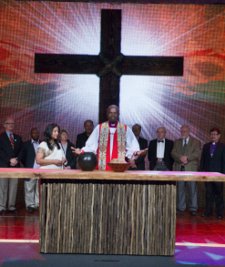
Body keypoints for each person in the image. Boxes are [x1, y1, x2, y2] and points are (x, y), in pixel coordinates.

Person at [73, 105, 140, 170]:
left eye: (115, 113)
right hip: (102, 166)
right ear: (107, 114)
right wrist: (82, 151)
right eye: (110, 113)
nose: (113, 115)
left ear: (118, 114)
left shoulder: (125, 129)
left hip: (119, 167)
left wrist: (136, 152)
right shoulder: (99, 128)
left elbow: (132, 145)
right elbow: (91, 145)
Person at [172, 125, 201, 216]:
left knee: (192, 188)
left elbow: (197, 153)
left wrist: (187, 158)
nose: (183, 133)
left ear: (189, 131)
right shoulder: (177, 142)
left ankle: (193, 208)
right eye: (181, 131)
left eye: (185, 131)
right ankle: (181, 208)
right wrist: (180, 158)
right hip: (179, 168)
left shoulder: (196, 142)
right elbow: (173, 153)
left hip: (191, 168)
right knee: (180, 189)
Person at [200, 128, 225, 219]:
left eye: (215, 134)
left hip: (219, 175)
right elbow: (203, 159)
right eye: (211, 134)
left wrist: (223, 174)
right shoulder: (206, 146)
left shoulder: (223, 146)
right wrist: (202, 171)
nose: (213, 136)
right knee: (208, 193)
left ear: (219, 135)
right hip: (207, 174)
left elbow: (224, 161)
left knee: (219, 194)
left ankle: (220, 213)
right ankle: (208, 212)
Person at [0, 117, 23, 215]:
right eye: (9, 123)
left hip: (15, 166)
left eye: (13, 123)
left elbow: (22, 151)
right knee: (2, 186)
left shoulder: (18, 137)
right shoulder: (0, 137)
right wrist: (9, 160)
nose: (11, 125)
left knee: (13, 186)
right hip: (4, 165)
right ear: (4, 125)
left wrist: (17, 159)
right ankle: (2, 207)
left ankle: (11, 206)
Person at [20, 128, 40, 213]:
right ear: (30, 134)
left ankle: (37, 204)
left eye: (36, 133)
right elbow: (22, 157)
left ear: (39, 134)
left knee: (38, 188)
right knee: (29, 188)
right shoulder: (26, 144)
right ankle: (30, 205)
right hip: (30, 169)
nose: (35, 134)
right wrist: (28, 165)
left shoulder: (42, 144)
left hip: (41, 170)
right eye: (33, 133)